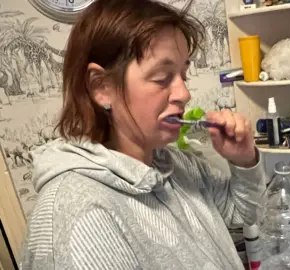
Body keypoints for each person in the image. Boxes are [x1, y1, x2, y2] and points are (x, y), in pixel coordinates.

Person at [21, 0, 266, 269]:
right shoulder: (79, 218)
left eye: (184, 75)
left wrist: (244, 161)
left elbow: (244, 213)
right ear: (101, 87)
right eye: (162, 77)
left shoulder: (176, 164)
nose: (184, 94)